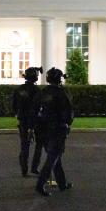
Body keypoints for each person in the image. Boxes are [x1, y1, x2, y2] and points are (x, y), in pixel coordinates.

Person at [35, 67, 74, 196]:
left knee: (55, 157)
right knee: (53, 158)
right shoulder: (62, 93)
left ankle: (62, 183)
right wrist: (67, 124)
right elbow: (68, 113)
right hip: (57, 129)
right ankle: (40, 184)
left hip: (43, 129)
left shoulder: (43, 92)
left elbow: (36, 110)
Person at [12, 66, 44, 177]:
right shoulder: (37, 91)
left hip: (23, 119)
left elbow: (14, 106)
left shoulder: (19, 90)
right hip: (35, 120)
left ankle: (24, 169)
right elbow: (40, 106)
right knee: (38, 144)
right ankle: (34, 167)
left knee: (24, 145)